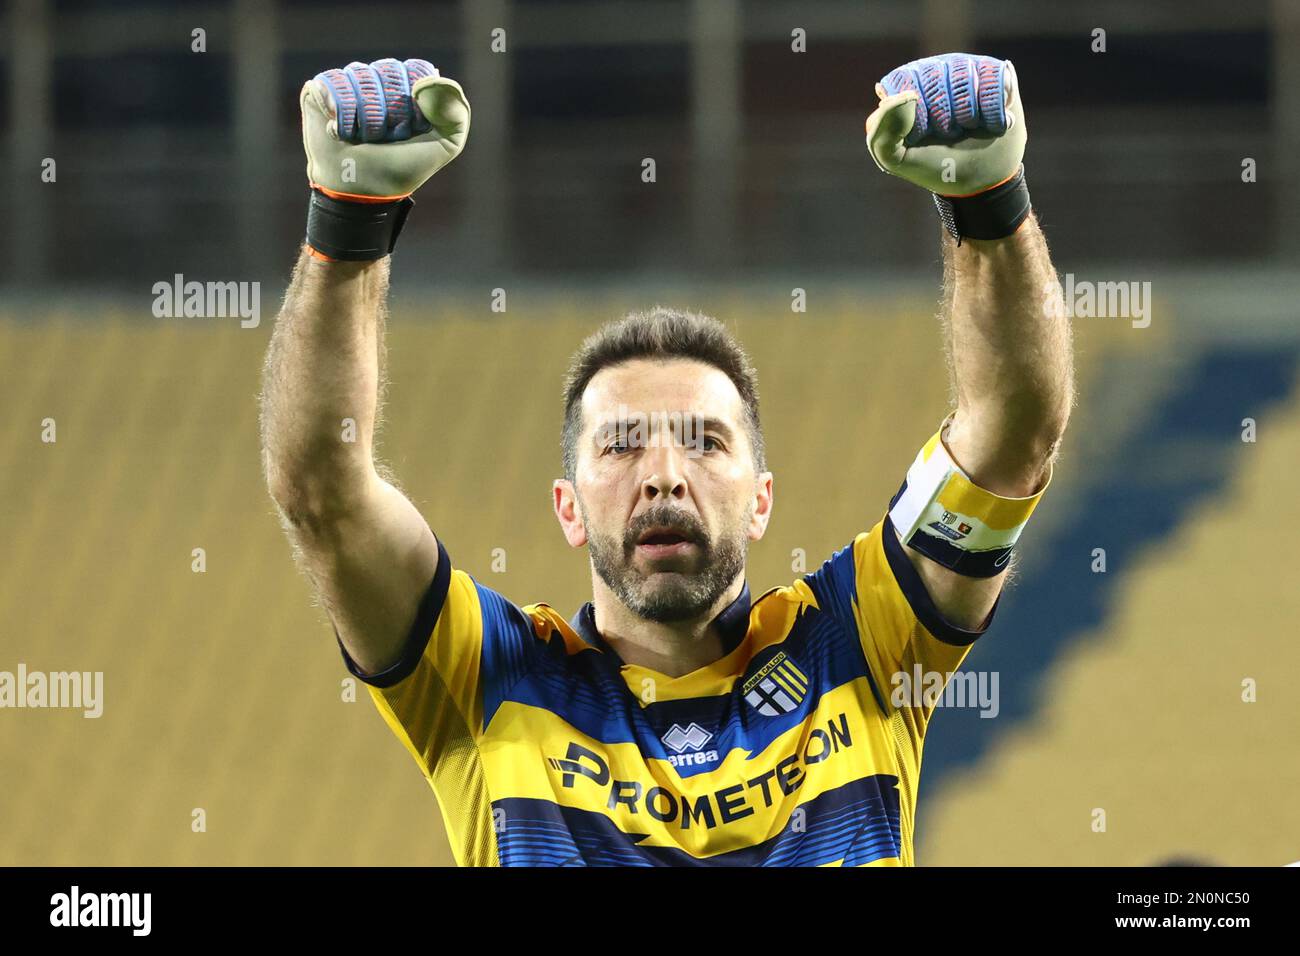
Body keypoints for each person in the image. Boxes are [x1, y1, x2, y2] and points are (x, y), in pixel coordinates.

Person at [259, 53, 1073, 866]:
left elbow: (1014, 431)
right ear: (568, 506)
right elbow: (321, 493)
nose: (663, 475)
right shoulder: (486, 674)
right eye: (619, 445)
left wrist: (989, 202)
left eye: (704, 441)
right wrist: (349, 220)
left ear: (761, 499)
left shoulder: (864, 639)